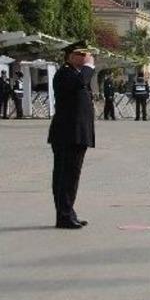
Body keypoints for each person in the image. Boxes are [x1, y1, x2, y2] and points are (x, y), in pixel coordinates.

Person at [47, 41, 96, 229]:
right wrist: (89, 67)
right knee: (65, 176)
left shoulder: (75, 74)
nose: (85, 57)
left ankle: (68, 212)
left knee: (71, 176)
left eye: (87, 54)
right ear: (70, 56)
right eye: (81, 54)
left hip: (76, 134)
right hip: (67, 134)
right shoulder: (65, 74)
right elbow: (79, 83)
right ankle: (64, 216)